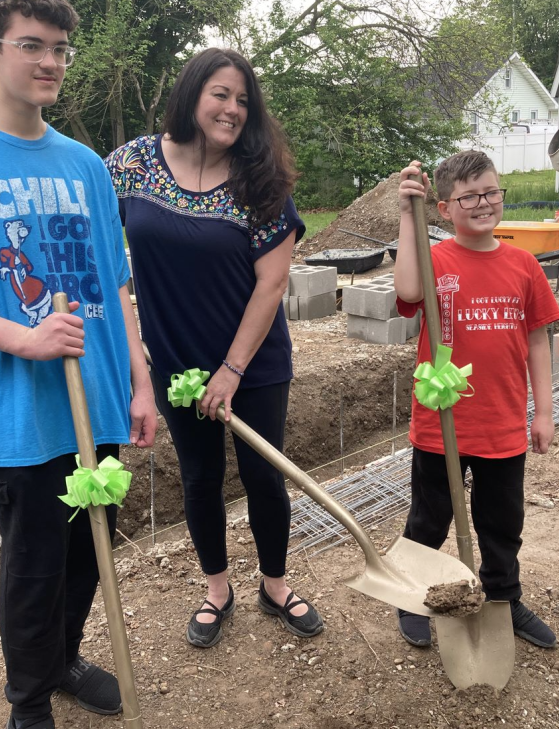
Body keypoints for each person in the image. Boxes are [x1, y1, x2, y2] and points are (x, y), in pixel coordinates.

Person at [0, 2, 158, 727]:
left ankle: (64, 658)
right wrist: (26, 339)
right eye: (32, 46)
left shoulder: (84, 166)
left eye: (61, 49)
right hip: (21, 408)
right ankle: (29, 699)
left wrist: (140, 384)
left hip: (98, 398)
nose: (49, 62)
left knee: (88, 551)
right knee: (35, 564)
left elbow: (115, 284)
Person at [105, 47, 323, 649]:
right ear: (192, 94)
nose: (231, 109)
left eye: (242, 101)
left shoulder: (262, 182)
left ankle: (275, 585)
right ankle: (217, 589)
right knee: (200, 479)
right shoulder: (131, 166)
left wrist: (231, 370)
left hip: (252, 363)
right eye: (220, 94)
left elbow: (272, 283)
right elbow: (95, 248)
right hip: (177, 364)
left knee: (264, 477)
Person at [392, 151, 559, 650]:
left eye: (490, 192)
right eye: (468, 196)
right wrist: (408, 215)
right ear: (445, 209)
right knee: (428, 518)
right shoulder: (434, 259)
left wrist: (544, 413)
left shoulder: (524, 265)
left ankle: (504, 601)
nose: (483, 203)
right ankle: (412, 596)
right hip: (441, 422)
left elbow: (537, 341)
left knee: (502, 522)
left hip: (502, 422)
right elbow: (405, 289)